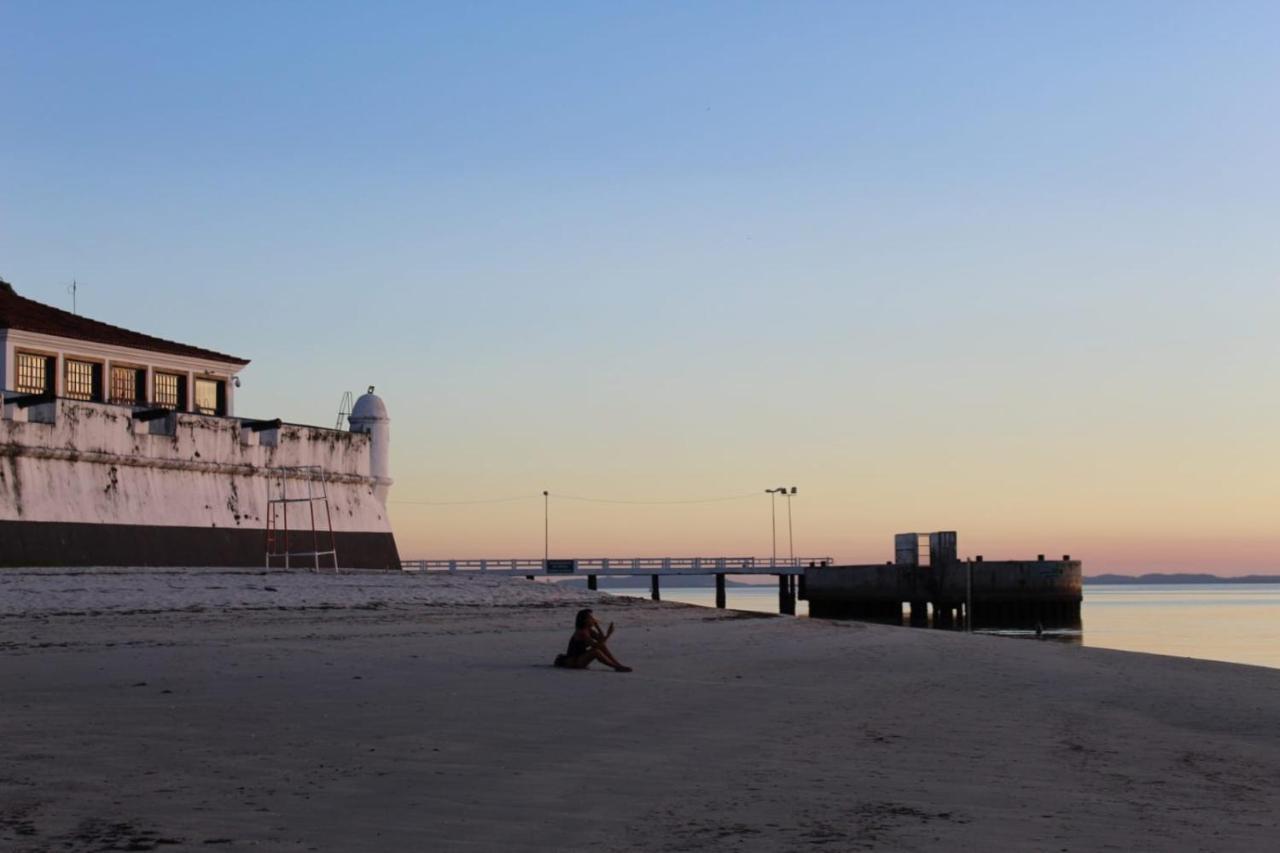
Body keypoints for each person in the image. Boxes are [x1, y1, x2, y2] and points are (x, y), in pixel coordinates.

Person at [554, 608, 632, 672]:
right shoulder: (581, 632)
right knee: (596, 651)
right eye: (590, 617)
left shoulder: (589, 630)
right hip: (574, 662)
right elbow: (597, 645)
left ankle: (618, 665)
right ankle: (615, 666)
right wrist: (609, 634)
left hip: (580, 658)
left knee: (601, 646)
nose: (593, 618)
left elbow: (601, 640)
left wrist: (597, 626)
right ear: (584, 620)